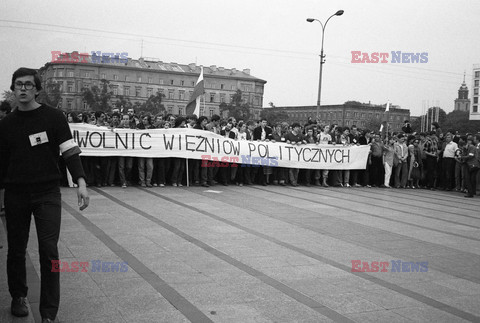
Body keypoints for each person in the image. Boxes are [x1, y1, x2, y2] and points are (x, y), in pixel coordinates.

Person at [0, 67, 89, 323]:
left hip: (47, 193)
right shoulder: (5, 125)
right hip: (16, 194)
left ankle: (49, 313)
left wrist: (81, 182)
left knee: (49, 250)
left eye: (29, 84)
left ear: (37, 89)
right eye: (19, 84)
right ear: (14, 89)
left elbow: (69, 151)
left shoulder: (54, 118)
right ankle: (18, 295)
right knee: (16, 249)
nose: (24, 88)